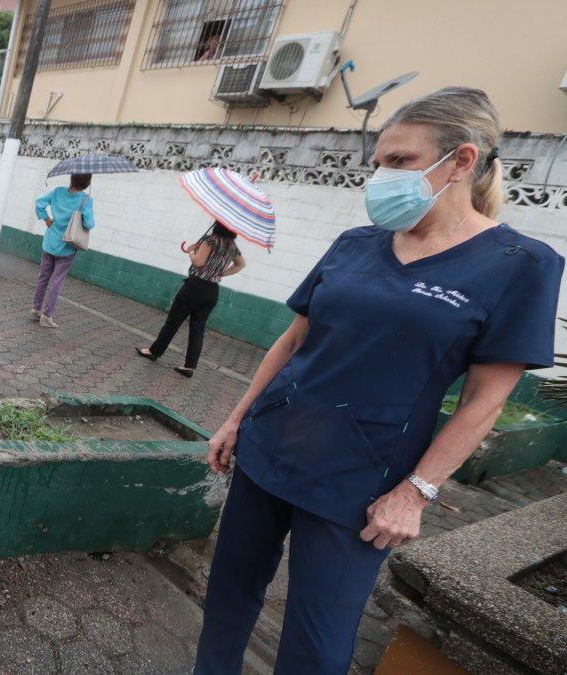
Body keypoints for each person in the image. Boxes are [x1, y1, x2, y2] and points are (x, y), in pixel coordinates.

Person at [194, 86, 563, 674]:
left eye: (399, 162)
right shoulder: (356, 244)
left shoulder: (522, 265)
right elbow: (293, 342)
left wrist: (416, 493)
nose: (380, 177)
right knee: (228, 595)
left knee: (317, 640)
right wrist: (236, 420)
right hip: (272, 445)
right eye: (379, 164)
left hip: (363, 485)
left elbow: (485, 401)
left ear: (462, 161)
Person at [137, 222, 246, 377]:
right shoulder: (232, 246)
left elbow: (198, 262)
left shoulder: (210, 240)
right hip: (212, 291)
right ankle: (190, 366)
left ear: (218, 225)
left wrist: (191, 252)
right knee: (198, 329)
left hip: (195, 287)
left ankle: (153, 352)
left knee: (173, 322)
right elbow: (241, 264)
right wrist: (221, 273)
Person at [31, 173, 95, 328]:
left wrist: (46, 218)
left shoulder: (57, 192)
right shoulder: (86, 200)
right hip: (67, 247)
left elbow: (39, 203)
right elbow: (89, 224)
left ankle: (36, 309)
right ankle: (47, 316)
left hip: (50, 243)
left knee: (43, 277)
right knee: (56, 282)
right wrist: (86, 207)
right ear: (87, 182)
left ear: (72, 178)